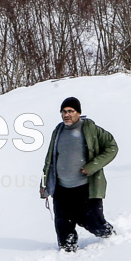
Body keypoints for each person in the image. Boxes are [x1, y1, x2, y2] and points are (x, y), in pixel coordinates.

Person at [39, 96, 118, 252]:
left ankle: (111, 237)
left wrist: (92, 166)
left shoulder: (90, 129)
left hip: (85, 187)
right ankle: (67, 251)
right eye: (63, 112)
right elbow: (49, 159)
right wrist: (44, 184)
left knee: (92, 221)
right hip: (61, 188)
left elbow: (112, 147)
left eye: (70, 111)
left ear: (78, 112)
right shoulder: (58, 130)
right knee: (62, 223)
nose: (66, 115)